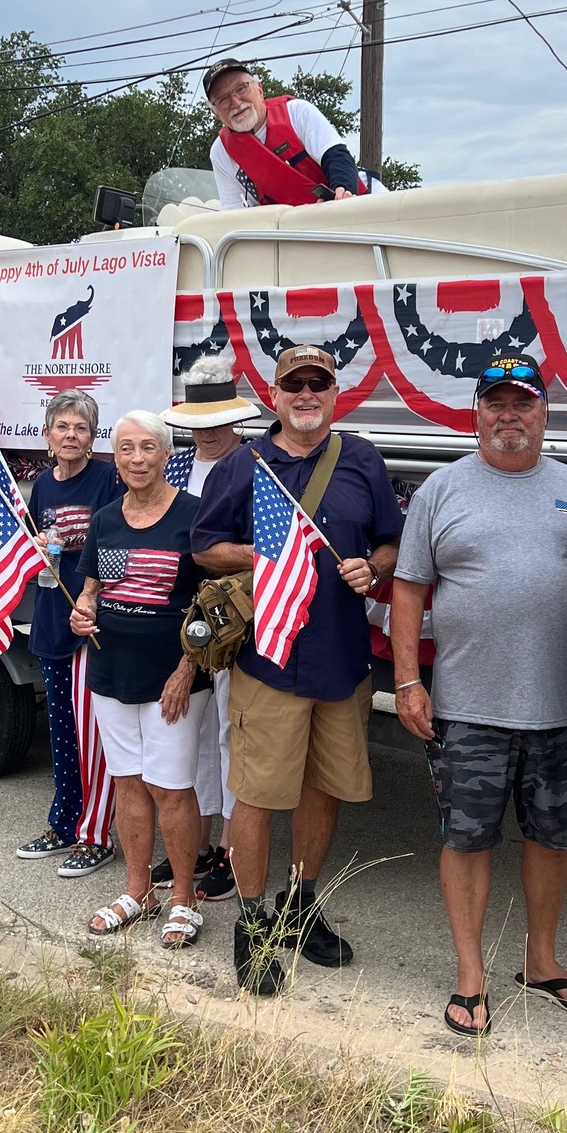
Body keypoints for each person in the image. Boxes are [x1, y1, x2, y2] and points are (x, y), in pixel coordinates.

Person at [391, 354, 567, 1039]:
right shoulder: (441, 490)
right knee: (467, 838)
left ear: (545, 413)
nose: (509, 415)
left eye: (523, 402)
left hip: (557, 703)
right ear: (476, 412)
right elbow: (407, 588)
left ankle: (541, 963)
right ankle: (470, 975)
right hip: (465, 704)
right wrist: (406, 679)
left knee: (551, 838)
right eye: (496, 403)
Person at [193, 345, 402, 994]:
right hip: (269, 662)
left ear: (336, 392)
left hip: (342, 662)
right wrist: (262, 556)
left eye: (318, 382)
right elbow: (204, 548)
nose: (306, 393)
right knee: (255, 796)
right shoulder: (245, 463)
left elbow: (391, 539)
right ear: (274, 395)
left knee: (323, 788)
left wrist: (377, 567)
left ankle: (300, 903)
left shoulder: (362, 459)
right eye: (294, 384)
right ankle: (252, 924)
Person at [70, 411, 210, 950]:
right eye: (125, 448)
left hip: (172, 678)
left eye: (147, 448)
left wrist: (186, 669)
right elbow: (91, 589)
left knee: (171, 788)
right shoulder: (105, 519)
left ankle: (182, 898)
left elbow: (213, 608)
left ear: (166, 453)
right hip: (110, 671)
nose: (135, 459)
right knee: (127, 782)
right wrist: (83, 611)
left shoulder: (194, 516)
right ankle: (138, 891)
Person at [153, 356, 263, 901]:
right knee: (191, 733)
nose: (210, 431)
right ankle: (192, 844)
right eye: (201, 421)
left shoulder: (254, 468)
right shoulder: (173, 470)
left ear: (236, 420)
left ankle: (230, 847)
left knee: (231, 732)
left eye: (219, 420)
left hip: (233, 620)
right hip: (180, 619)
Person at [14, 389, 123, 876]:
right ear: (47, 434)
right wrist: (39, 546)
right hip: (53, 619)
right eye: (63, 427)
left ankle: (96, 834)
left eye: (81, 428)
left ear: (93, 436)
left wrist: (92, 595)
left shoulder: (108, 478)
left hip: (90, 623)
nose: (71, 435)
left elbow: (122, 544)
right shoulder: (43, 486)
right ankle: (63, 821)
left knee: (92, 738)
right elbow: (45, 547)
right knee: (60, 732)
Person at [202, 59, 370, 211]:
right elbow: (234, 210)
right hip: (288, 231)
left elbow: (336, 156)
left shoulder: (296, 111)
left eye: (241, 89)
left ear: (259, 90)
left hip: (346, 207)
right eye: (223, 99)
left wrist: (343, 191)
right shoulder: (221, 152)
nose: (236, 102)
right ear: (216, 113)